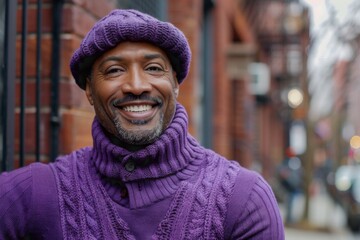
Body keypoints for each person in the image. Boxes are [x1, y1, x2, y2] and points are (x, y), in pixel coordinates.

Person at [0, 9, 284, 239]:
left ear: (174, 83)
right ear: (88, 90)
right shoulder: (40, 192)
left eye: (153, 68)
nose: (136, 85)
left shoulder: (243, 198)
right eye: (114, 70)